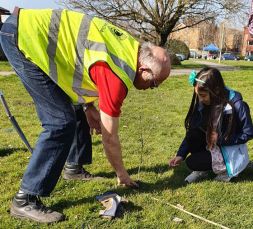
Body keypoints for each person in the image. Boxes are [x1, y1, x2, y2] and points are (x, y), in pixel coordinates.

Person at [0, 7, 171, 223]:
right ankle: (25, 200)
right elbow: (109, 136)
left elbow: (82, 60)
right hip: (23, 39)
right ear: (144, 70)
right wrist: (122, 174)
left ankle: (74, 167)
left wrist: (89, 106)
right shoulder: (117, 74)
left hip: (28, 30)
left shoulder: (130, 48)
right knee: (60, 122)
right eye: (154, 84)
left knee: (74, 110)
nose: (152, 88)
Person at [169, 67, 253, 183]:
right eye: (198, 95)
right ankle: (202, 169)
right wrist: (180, 155)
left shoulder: (237, 105)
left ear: (216, 91)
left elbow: (248, 133)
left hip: (227, 150)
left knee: (193, 162)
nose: (200, 99)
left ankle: (226, 171)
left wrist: (222, 139)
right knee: (192, 152)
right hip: (212, 146)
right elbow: (193, 130)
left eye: (203, 95)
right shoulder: (203, 103)